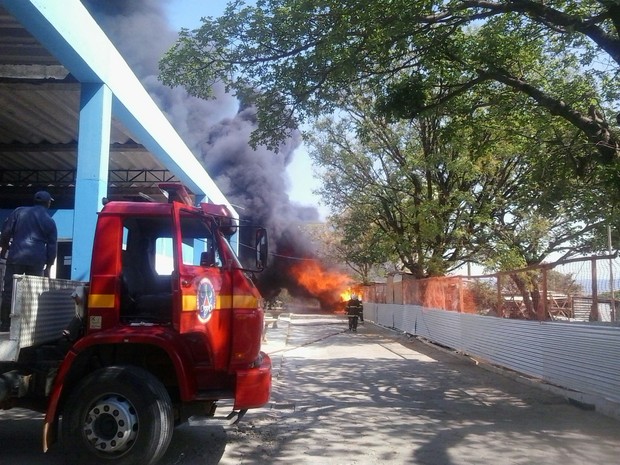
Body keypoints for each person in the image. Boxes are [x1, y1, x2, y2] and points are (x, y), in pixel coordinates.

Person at [0, 191, 57, 332]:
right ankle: (29, 326)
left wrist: (5, 248)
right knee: (34, 291)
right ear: (48, 203)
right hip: (36, 259)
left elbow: (6, 232)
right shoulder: (49, 221)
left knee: (9, 290)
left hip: (16, 256)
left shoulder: (19, 212)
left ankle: (5, 324)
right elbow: (52, 246)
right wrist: (49, 265)